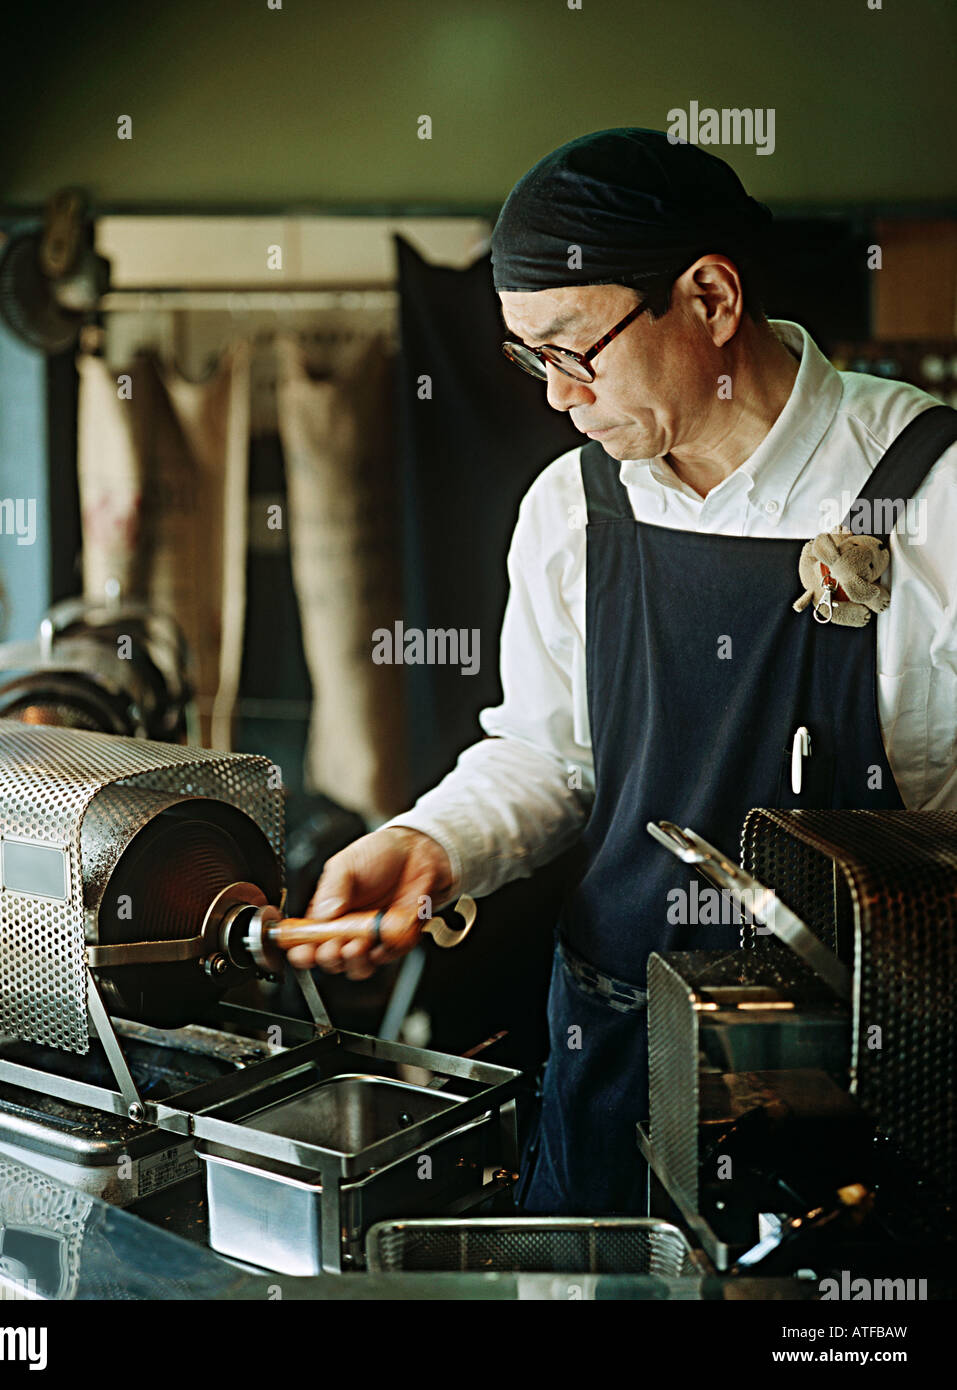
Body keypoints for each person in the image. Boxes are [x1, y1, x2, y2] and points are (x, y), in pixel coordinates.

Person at [280, 129, 957, 1214]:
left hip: (865, 1081)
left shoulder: (930, 491)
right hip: (615, 1052)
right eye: (526, 357)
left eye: (570, 349)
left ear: (707, 297)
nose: (553, 396)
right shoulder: (570, 511)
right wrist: (426, 845)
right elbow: (546, 756)